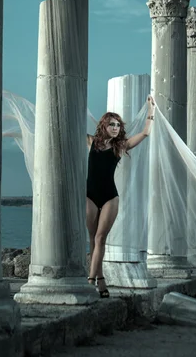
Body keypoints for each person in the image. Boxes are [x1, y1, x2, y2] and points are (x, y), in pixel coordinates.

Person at [86, 95, 155, 297]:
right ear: (104, 126)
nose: (115, 128)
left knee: (100, 238)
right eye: (112, 125)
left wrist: (151, 109)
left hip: (110, 197)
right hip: (89, 194)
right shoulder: (90, 142)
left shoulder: (120, 146)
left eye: (118, 125)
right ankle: (101, 281)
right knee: (92, 239)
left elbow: (145, 132)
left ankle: (90, 280)